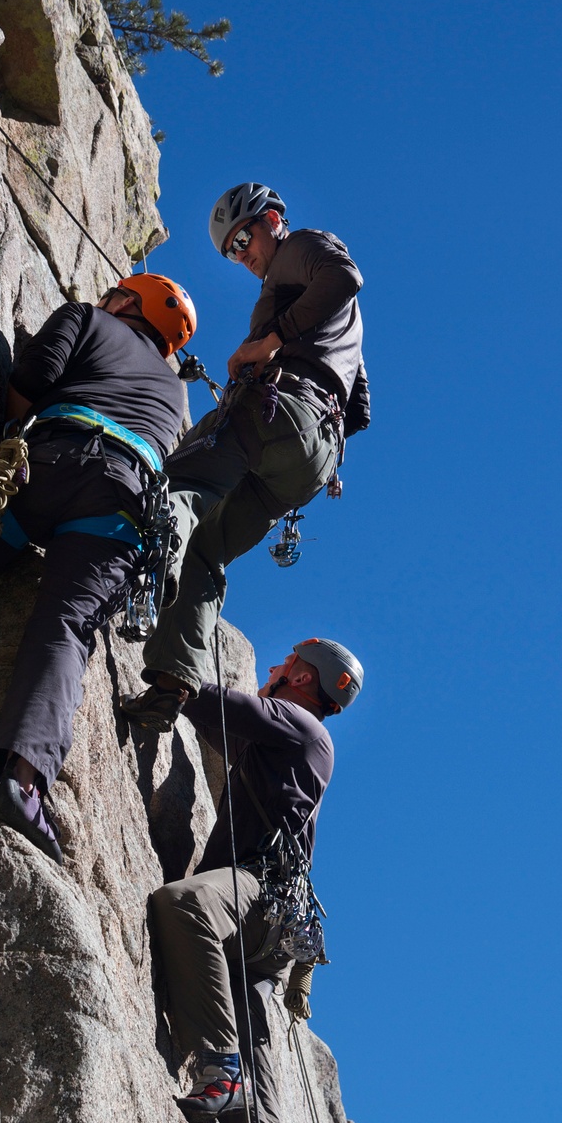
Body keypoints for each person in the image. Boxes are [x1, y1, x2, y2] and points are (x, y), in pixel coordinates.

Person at [0, 274, 194, 862]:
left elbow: (30, 379)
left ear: (127, 303)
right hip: (121, 504)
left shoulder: (89, 318)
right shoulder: (178, 394)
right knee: (66, 626)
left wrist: (6, 445)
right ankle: (24, 782)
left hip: (47, 464)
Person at [149, 637, 364, 1123]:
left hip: (258, 891)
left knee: (185, 907)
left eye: (281, 666)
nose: (270, 671)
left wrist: (169, 663)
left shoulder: (299, 725)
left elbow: (211, 702)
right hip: (269, 933)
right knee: (262, 1083)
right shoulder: (297, 742)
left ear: (301, 676)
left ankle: (217, 1062)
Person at [122, 183, 370, 733]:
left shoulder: (301, 248)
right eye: (231, 251)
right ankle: (170, 686)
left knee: (178, 485)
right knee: (208, 549)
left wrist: (267, 343)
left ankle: (135, 567)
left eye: (243, 238)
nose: (243, 255)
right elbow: (361, 407)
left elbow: (344, 275)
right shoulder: (343, 329)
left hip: (276, 411)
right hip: (309, 458)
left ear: (272, 220)